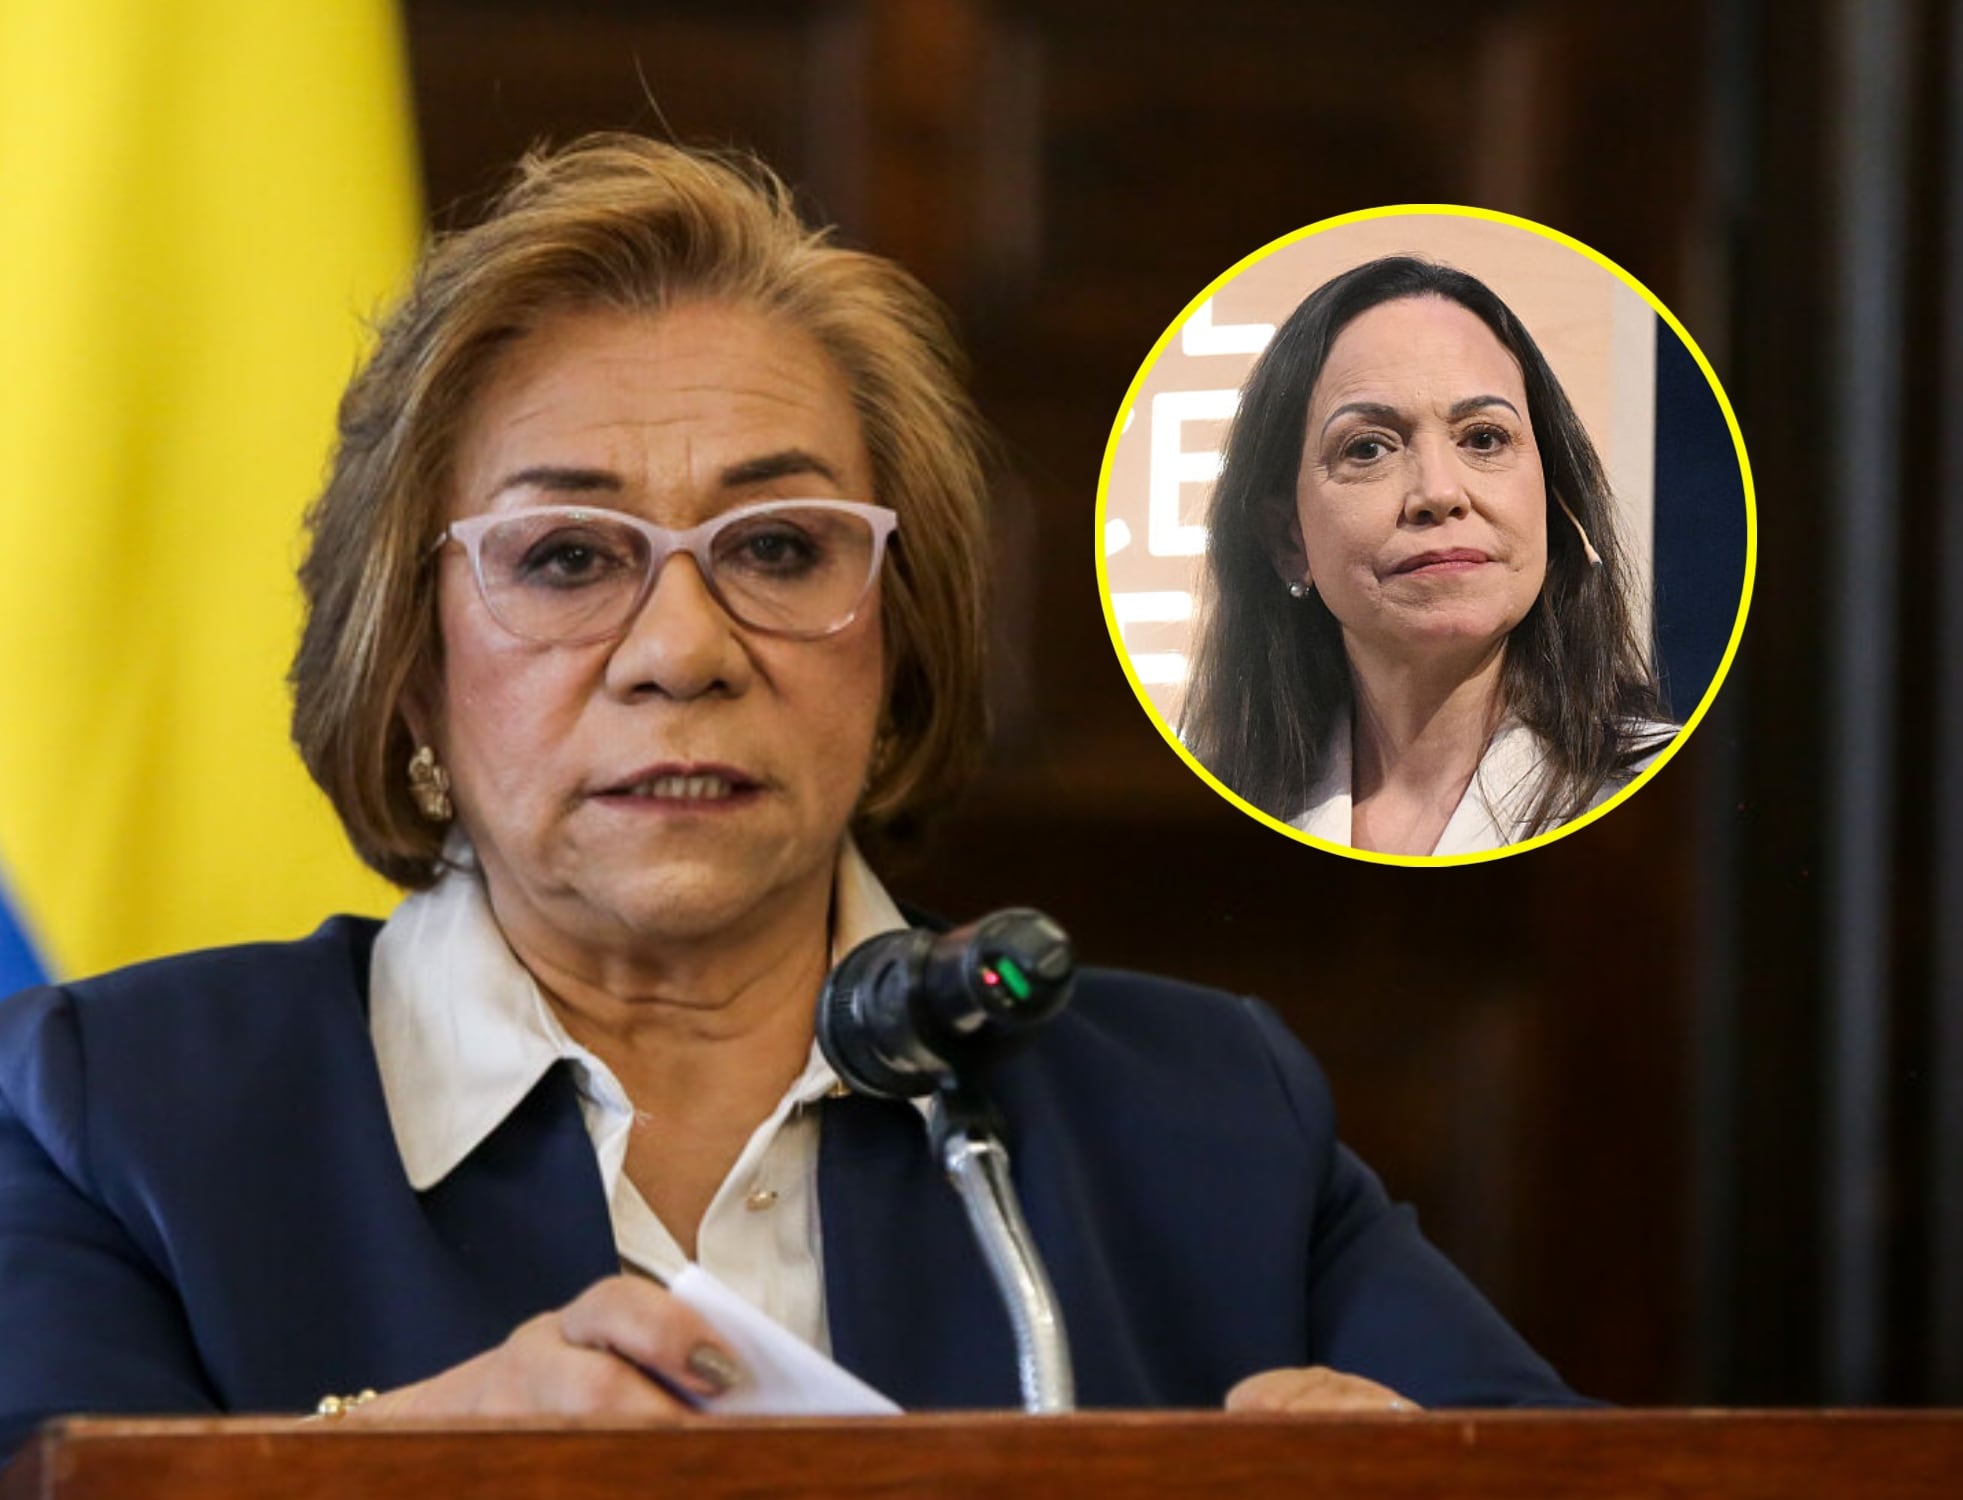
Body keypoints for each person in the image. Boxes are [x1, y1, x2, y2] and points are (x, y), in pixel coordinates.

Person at [0, 137, 1582, 1463]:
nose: (682, 651)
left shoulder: (1203, 1121)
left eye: (778, 551)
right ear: (409, 665)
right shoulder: (109, 1120)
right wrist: (376, 1468)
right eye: (564, 558)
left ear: (897, 646)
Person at [1180, 256, 1676, 857]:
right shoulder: (1202, 814)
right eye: (1367, 449)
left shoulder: (1673, 795)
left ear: (1552, 498)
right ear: (1291, 540)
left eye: (1484, 439)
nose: (1439, 493)